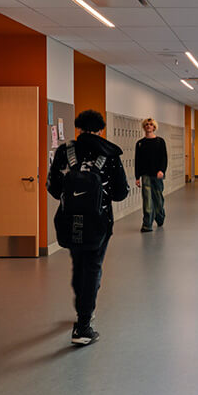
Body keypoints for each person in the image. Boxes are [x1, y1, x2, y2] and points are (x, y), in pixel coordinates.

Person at [47, 109, 129, 346]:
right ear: (101, 129)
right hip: (100, 221)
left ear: (79, 128)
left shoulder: (65, 151)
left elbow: (52, 186)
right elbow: (122, 192)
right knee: (93, 266)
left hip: (69, 220)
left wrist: (74, 198)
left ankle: (82, 310)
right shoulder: (109, 153)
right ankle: (84, 325)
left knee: (78, 263)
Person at [135, 117, 168, 232]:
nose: (148, 126)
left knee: (158, 199)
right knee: (147, 200)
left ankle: (160, 217)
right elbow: (137, 161)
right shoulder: (140, 143)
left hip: (157, 175)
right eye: (146, 124)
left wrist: (162, 170)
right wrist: (137, 177)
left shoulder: (160, 141)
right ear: (144, 127)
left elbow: (164, 158)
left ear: (154, 127)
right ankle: (147, 224)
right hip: (145, 175)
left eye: (151, 124)